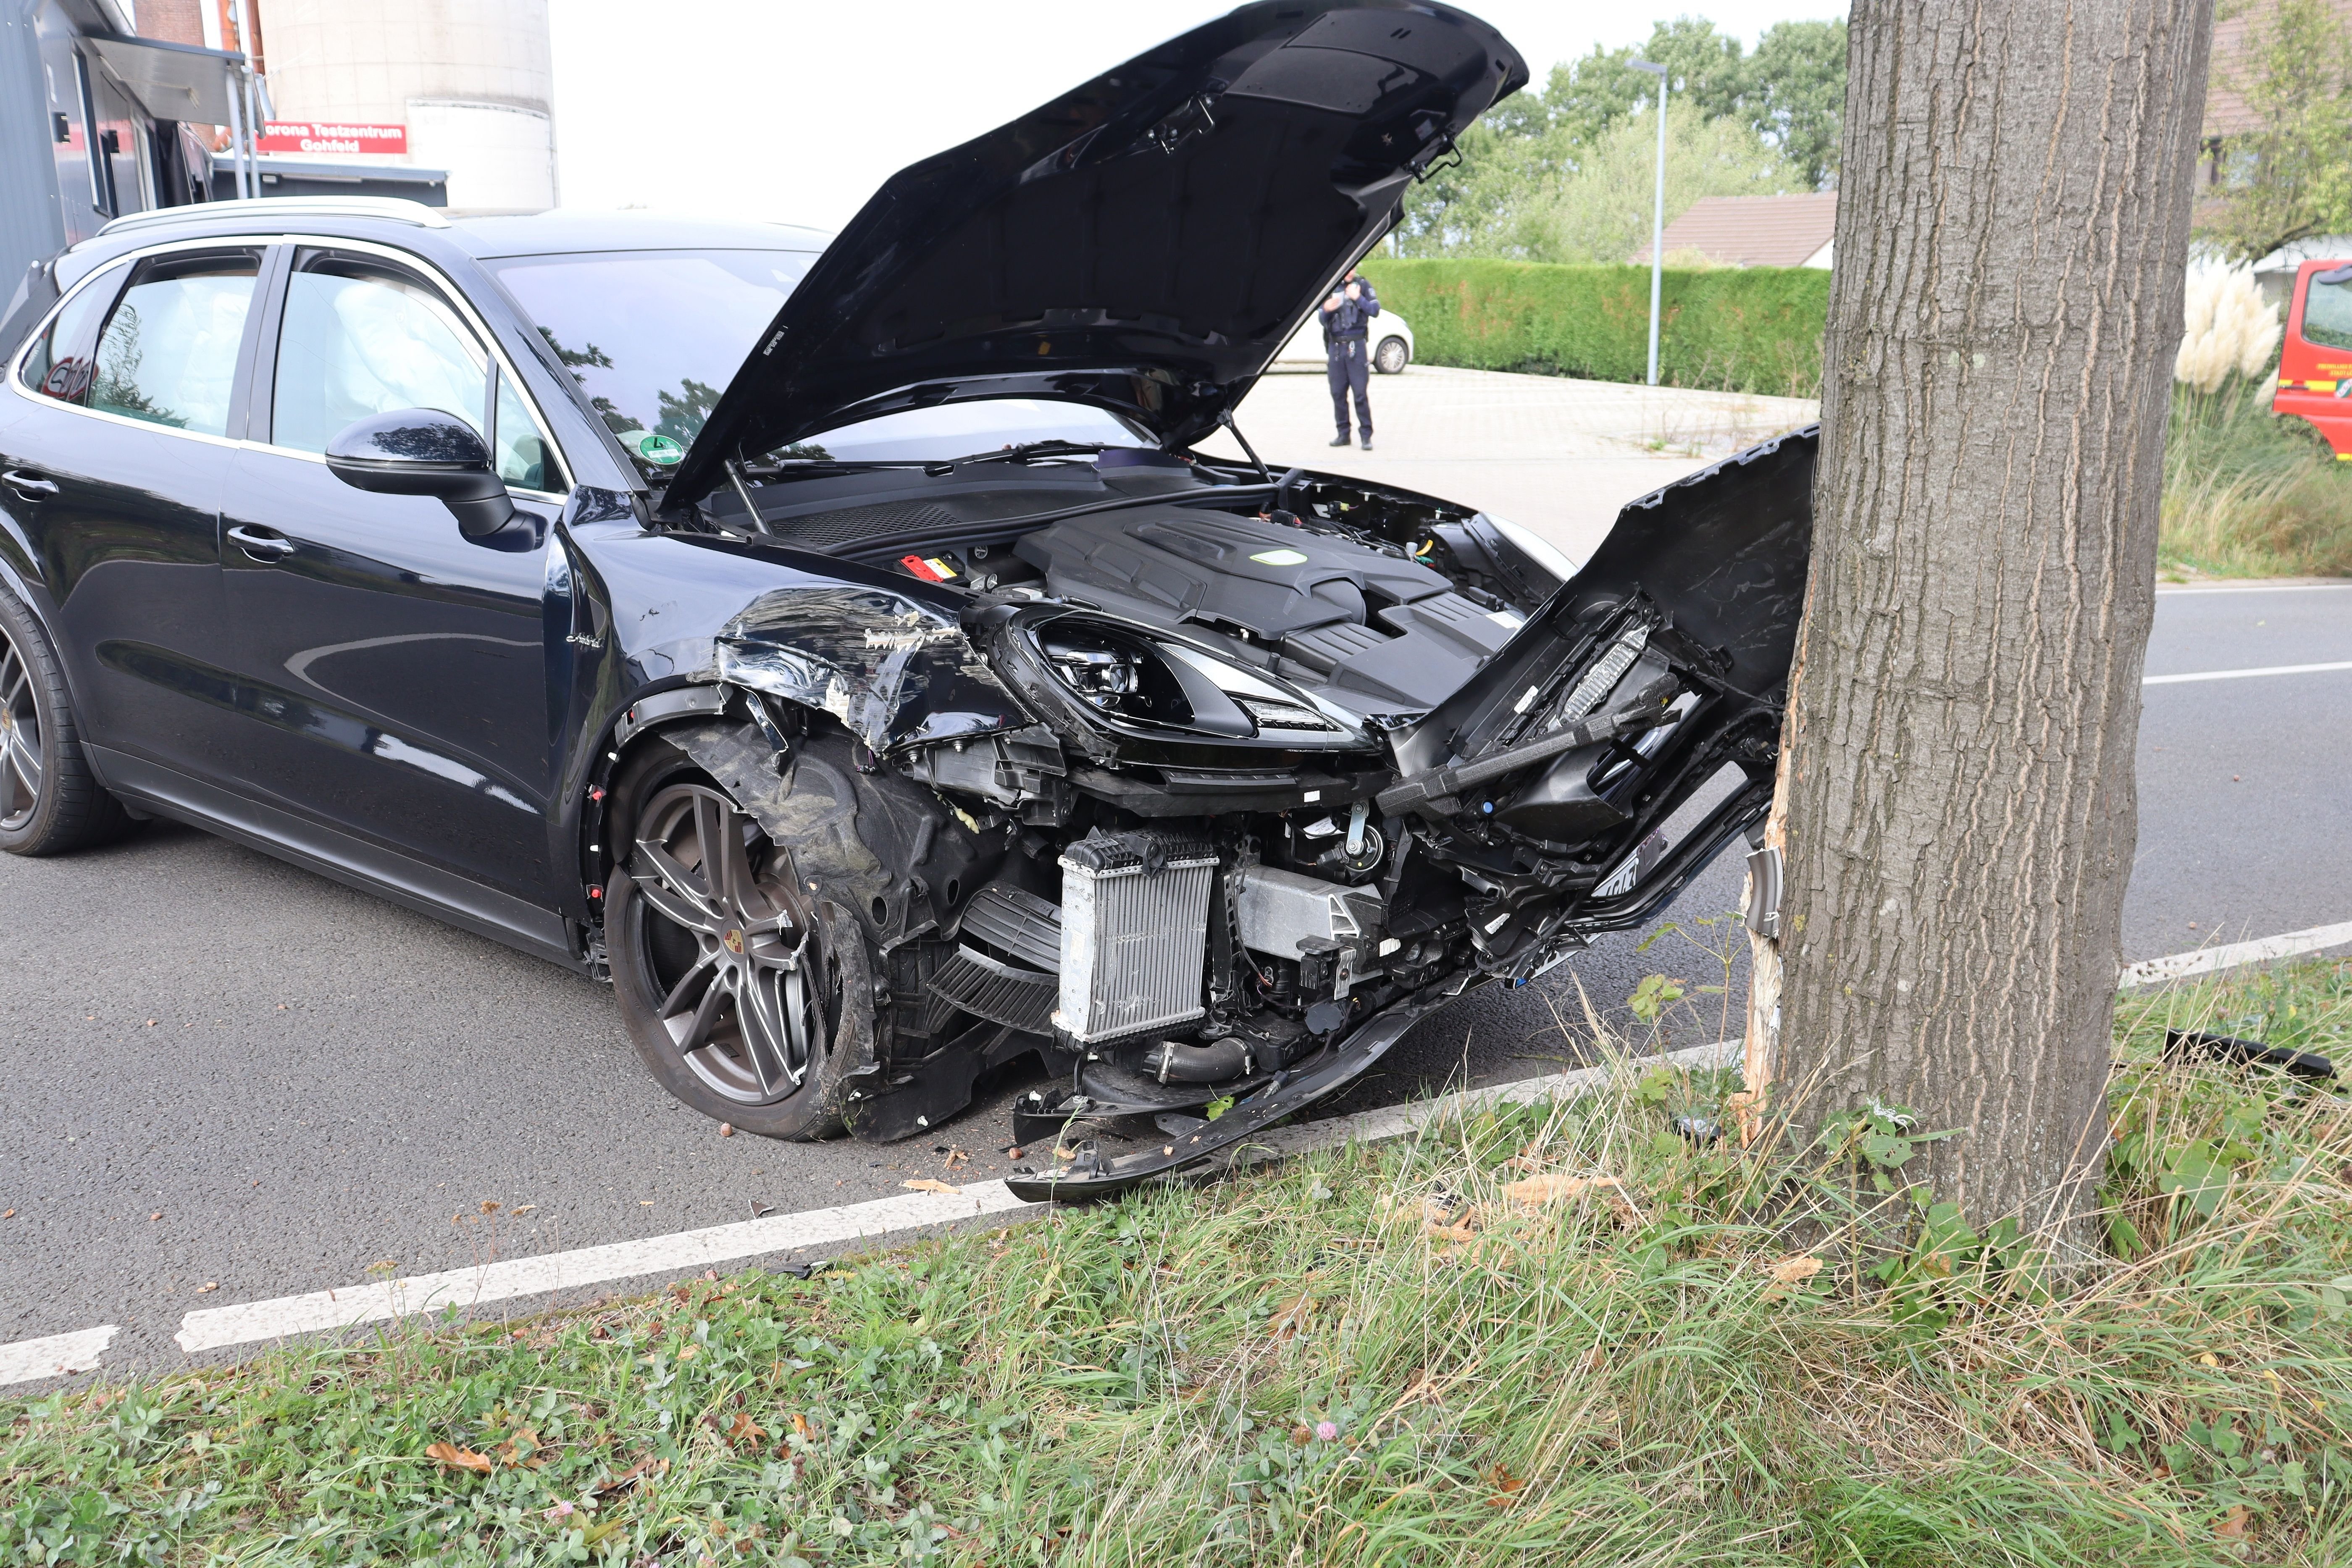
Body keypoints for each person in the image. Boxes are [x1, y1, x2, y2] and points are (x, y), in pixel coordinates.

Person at [1321, 268, 1379, 450]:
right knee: (1338, 393)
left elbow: (1375, 310)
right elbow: (1322, 319)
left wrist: (1358, 298)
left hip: (1357, 347)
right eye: (1348, 269)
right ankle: (1343, 434)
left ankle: (1366, 436)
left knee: (1360, 394)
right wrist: (1326, 310)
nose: (1351, 272)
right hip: (1336, 348)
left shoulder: (1362, 285)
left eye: (1353, 268)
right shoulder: (1330, 288)